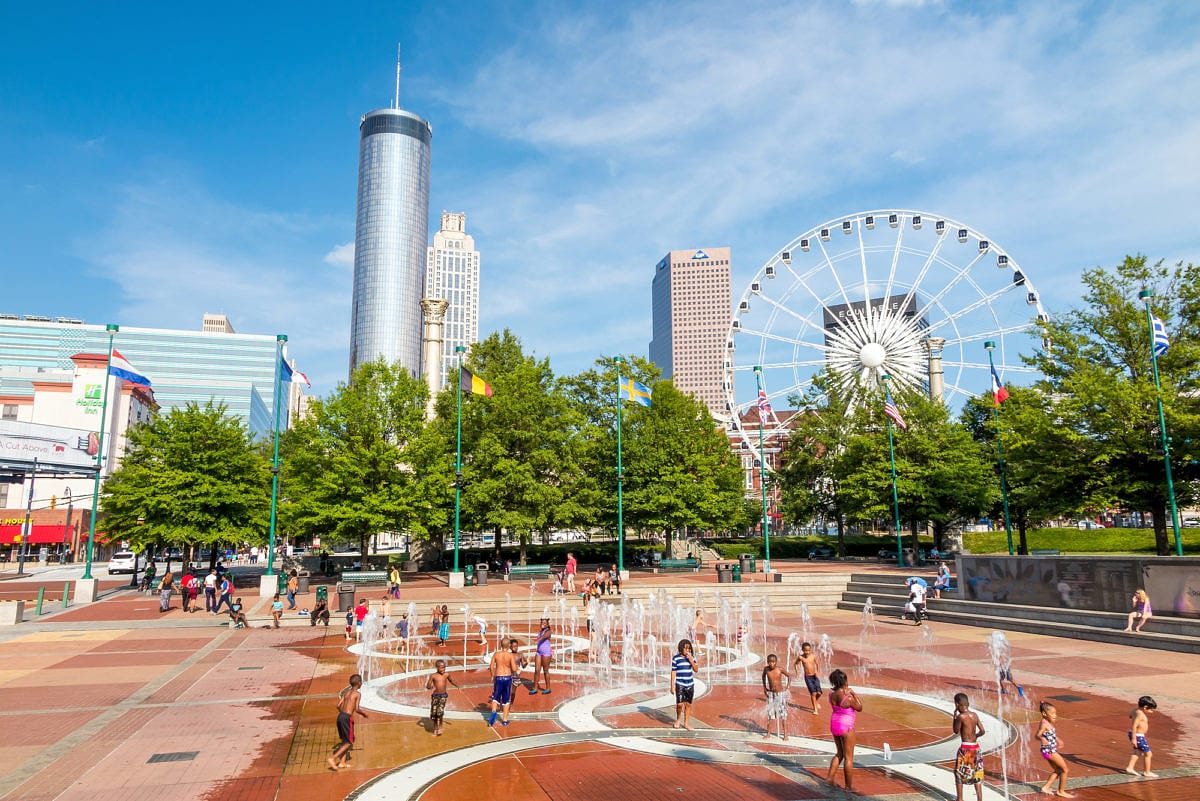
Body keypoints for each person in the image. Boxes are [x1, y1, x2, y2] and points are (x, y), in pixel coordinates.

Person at [826, 668, 862, 792]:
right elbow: (860, 707)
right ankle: (848, 787)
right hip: (846, 726)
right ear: (844, 681)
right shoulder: (848, 697)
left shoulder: (831, 694)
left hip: (834, 724)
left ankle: (830, 778)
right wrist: (854, 694)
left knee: (839, 753)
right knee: (849, 758)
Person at [328, 674, 368, 770]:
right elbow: (357, 709)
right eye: (361, 682)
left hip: (340, 717)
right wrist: (364, 714)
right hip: (346, 718)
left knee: (346, 741)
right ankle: (333, 759)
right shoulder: (357, 694)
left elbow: (338, 705)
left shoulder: (346, 692)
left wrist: (343, 714)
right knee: (349, 742)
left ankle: (342, 762)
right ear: (359, 683)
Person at [1037, 701, 1074, 797]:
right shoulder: (1044, 724)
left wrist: (1058, 739)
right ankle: (1061, 791)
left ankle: (1046, 787)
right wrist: (1042, 738)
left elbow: (1051, 733)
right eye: (1052, 713)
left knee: (1058, 769)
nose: (1055, 715)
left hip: (1048, 751)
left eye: (1055, 713)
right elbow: (1038, 734)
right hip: (1049, 751)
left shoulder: (1047, 722)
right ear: (1044, 714)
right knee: (1065, 770)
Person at [953, 692, 985, 801]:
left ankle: (960, 799)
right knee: (977, 774)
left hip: (966, 749)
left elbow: (956, 731)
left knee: (959, 773)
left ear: (957, 705)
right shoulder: (975, 715)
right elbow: (983, 731)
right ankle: (980, 799)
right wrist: (975, 736)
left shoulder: (961, 717)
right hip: (976, 747)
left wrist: (954, 717)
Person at [487, 637, 524, 727]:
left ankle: (494, 712)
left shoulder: (496, 654)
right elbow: (514, 668)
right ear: (509, 646)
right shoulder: (510, 655)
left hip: (498, 677)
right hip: (507, 678)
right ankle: (504, 720)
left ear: (500, 645)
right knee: (506, 699)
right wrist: (518, 670)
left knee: (495, 697)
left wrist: (492, 675)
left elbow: (491, 667)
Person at [1124, 695, 1158, 778]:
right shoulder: (1140, 715)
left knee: (1137, 752)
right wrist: (1134, 739)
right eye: (1151, 709)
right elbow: (1134, 726)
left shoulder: (1135, 710)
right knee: (1148, 754)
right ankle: (1147, 772)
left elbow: (1130, 716)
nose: (1152, 711)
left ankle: (1130, 768)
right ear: (1145, 707)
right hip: (1138, 736)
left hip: (1135, 734)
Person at [761, 653, 791, 740]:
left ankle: (785, 735)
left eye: (773, 662)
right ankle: (768, 733)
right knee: (770, 714)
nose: (771, 664)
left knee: (783, 714)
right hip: (771, 694)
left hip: (780, 694)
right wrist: (764, 687)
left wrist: (787, 686)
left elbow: (789, 676)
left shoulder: (780, 669)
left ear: (776, 662)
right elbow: (763, 677)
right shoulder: (766, 669)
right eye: (770, 662)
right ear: (767, 662)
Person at [426, 659, 459, 736]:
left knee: (439, 712)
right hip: (435, 696)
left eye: (444, 667)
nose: (443, 669)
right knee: (434, 714)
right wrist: (429, 686)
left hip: (443, 695)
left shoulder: (446, 675)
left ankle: (440, 726)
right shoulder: (433, 676)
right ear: (437, 667)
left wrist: (457, 685)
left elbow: (452, 681)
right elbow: (428, 685)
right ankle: (435, 728)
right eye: (441, 667)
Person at [670, 638, 698, 731]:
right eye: (686, 648)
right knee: (679, 704)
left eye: (689, 649)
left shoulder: (692, 657)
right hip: (680, 684)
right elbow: (673, 672)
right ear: (681, 648)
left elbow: (696, 669)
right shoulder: (676, 658)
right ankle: (678, 720)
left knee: (688, 705)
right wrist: (672, 686)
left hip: (690, 684)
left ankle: (686, 723)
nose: (688, 650)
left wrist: (691, 659)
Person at [794, 641, 823, 714]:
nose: (807, 652)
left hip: (815, 676)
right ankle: (815, 710)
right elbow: (795, 664)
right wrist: (797, 673)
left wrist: (818, 671)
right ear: (802, 650)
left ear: (811, 650)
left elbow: (817, 664)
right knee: (813, 693)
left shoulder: (813, 656)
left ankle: (815, 702)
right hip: (807, 677)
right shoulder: (801, 657)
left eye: (809, 650)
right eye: (806, 650)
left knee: (819, 693)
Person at [532, 617, 553, 694]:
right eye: (541, 623)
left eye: (544, 623)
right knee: (537, 670)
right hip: (539, 652)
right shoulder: (541, 631)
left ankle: (548, 688)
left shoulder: (548, 631)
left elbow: (545, 636)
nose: (542, 624)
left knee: (545, 670)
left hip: (546, 653)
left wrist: (538, 640)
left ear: (547, 625)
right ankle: (535, 688)